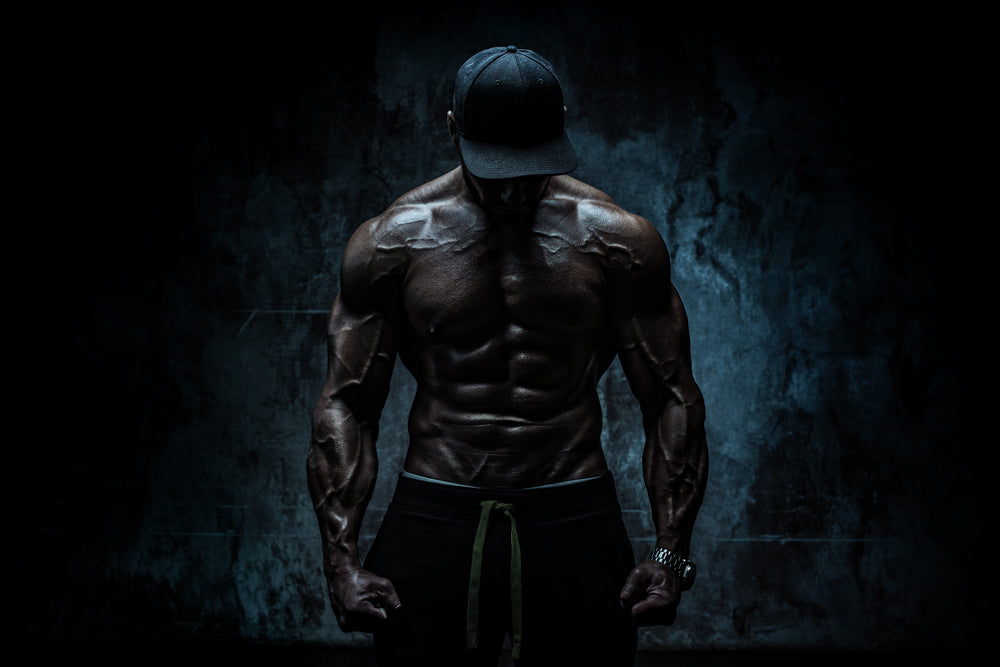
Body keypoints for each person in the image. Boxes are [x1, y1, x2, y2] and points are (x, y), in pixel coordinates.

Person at [307, 46, 708, 666]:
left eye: (532, 167)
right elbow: (347, 405)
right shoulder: (392, 243)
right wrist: (340, 561)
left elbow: (671, 399)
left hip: (572, 510)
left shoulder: (617, 241)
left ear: (562, 127)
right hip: (435, 511)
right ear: (452, 129)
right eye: (496, 170)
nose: (516, 191)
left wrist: (670, 553)